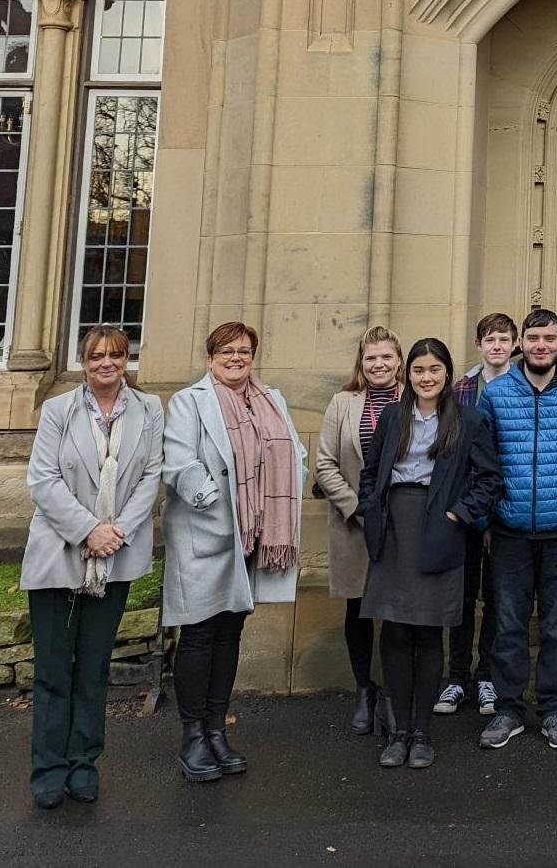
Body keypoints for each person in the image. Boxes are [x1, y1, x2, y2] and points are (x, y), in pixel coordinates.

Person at [21, 325, 164, 809]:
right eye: (97, 355)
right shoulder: (59, 411)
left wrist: (116, 530)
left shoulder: (149, 410)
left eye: (117, 355)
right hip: (61, 554)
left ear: (127, 359)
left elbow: (151, 475)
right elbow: (42, 480)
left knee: (94, 668)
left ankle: (83, 764)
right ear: (83, 360)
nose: (107, 362)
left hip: (116, 555)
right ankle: (48, 768)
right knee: (54, 670)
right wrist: (89, 530)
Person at [162, 321, 305, 783]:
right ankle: (192, 737)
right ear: (210, 357)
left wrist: (283, 486)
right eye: (226, 350)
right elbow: (179, 462)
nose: (236, 357)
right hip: (208, 533)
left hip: (253, 535)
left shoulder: (271, 398)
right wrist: (213, 501)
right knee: (200, 634)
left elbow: (291, 449)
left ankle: (216, 728)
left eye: (244, 350)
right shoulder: (190, 401)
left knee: (230, 632)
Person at [357, 338, 501, 769]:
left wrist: (460, 514)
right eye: (419, 370)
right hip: (394, 528)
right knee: (397, 632)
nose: (426, 377)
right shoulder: (392, 417)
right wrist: (370, 507)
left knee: (427, 631)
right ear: (409, 374)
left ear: (447, 374)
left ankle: (422, 732)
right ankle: (398, 731)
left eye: (434, 370)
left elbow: (489, 480)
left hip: (440, 527)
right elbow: (370, 471)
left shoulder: (468, 420)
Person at [476, 308, 557, 752]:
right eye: (533, 338)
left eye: (549, 338)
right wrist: (486, 520)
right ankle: (509, 709)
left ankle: (553, 708)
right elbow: (482, 464)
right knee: (509, 625)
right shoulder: (496, 394)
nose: (540, 345)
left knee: (556, 625)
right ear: (521, 343)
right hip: (509, 529)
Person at [315, 325, 403, 737]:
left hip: (404, 524)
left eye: (386, 357)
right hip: (355, 524)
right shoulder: (343, 403)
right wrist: (357, 507)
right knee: (359, 610)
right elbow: (325, 464)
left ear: (399, 361)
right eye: (371, 358)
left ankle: (391, 693)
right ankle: (364, 691)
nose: (378, 364)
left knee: (396, 612)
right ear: (361, 363)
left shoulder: (415, 398)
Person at [438, 311, 516, 717]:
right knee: (462, 597)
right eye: (490, 339)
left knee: (498, 598)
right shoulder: (461, 389)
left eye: (504, 339)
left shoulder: (523, 387)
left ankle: (487, 675)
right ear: (479, 344)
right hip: (466, 508)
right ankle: (456, 678)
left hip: (506, 508)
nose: (497, 346)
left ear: (514, 344)